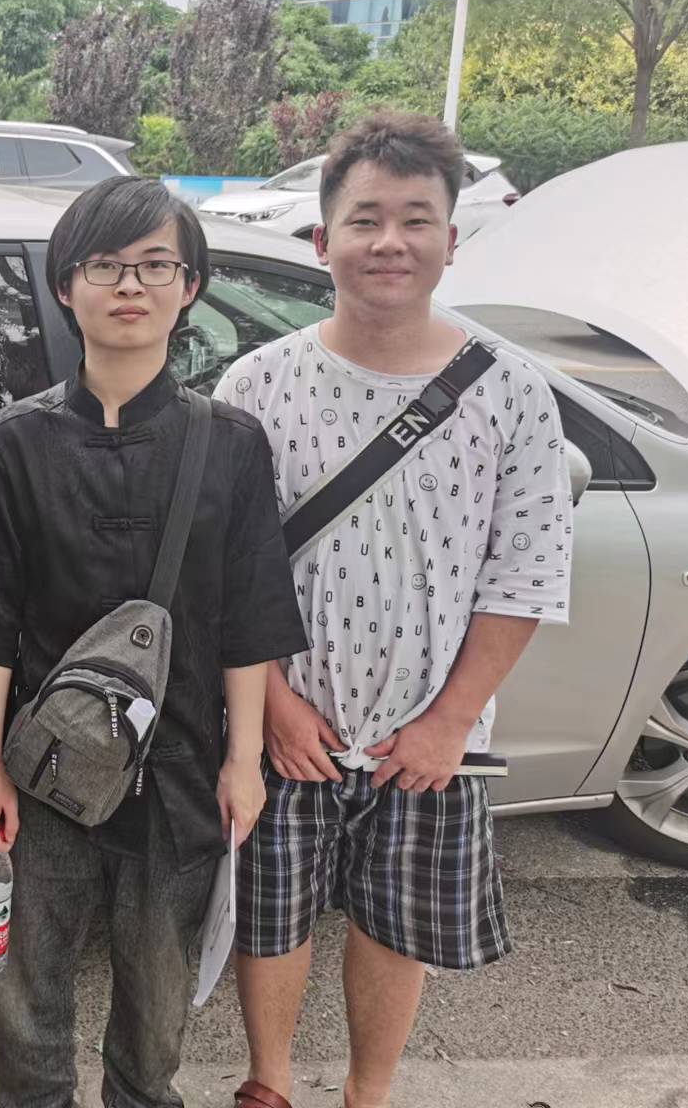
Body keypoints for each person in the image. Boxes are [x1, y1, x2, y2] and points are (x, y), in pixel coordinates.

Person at [214, 112, 574, 1108]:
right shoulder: (258, 384)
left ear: (450, 240)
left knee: (394, 924)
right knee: (270, 916)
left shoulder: (510, 391)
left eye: (415, 220)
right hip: (286, 721)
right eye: (364, 219)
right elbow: (224, 567)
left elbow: (523, 573)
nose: (389, 241)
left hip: (430, 731)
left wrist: (449, 720)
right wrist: (274, 705)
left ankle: (368, 1093)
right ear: (320, 239)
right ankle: (269, 1083)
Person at [0, 176, 308, 1108]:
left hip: (181, 771)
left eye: (155, 265)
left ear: (191, 287)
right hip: (43, 770)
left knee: (157, 1014)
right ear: (68, 286)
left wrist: (244, 762)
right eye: (105, 265)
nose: (131, 285)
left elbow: (249, 620)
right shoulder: (17, 441)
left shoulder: (231, 443)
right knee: (25, 1001)